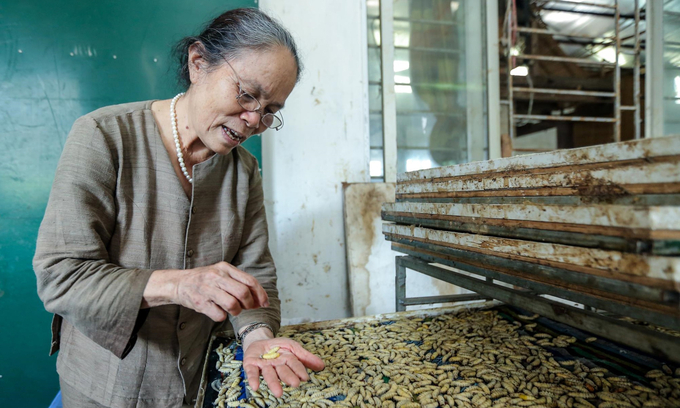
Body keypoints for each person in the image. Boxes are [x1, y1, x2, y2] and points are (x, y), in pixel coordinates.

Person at [33, 8, 324, 408]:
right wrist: (179, 285)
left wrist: (258, 338)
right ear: (198, 63)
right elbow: (61, 276)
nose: (255, 119)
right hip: (103, 391)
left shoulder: (244, 171)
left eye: (271, 110)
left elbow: (254, 273)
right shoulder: (104, 137)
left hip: (194, 385)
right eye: (246, 94)